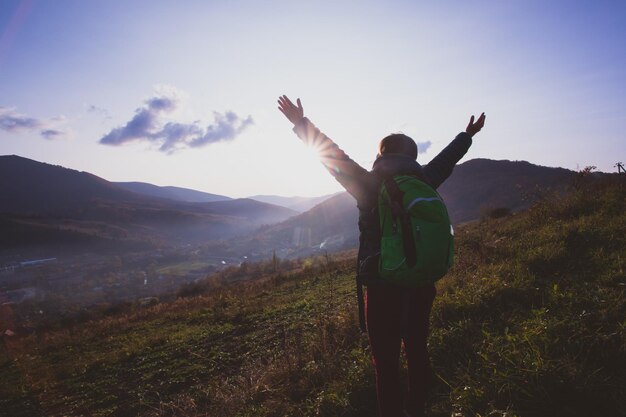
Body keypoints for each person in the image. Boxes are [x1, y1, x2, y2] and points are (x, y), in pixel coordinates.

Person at [277, 95, 485, 417]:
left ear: (380, 155)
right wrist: (467, 135)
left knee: (385, 363)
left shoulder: (368, 184)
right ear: (413, 157)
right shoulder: (424, 180)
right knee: (417, 350)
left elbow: (332, 155)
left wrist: (300, 124)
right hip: (420, 281)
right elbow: (446, 161)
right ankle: (418, 409)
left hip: (381, 284)